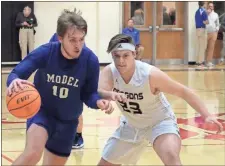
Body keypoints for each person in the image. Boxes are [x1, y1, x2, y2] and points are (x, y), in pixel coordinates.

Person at [6, 8, 116, 166]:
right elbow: (15, 73)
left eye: (81, 39)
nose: (78, 45)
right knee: (32, 154)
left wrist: (98, 102)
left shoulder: (90, 60)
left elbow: (88, 94)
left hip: (68, 122)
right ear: (60, 38)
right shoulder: (46, 52)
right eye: (72, 40)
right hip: (42, 112)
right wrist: (14, 81)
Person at [97, 34, 223, 166]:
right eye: (116, 56)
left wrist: (207, 115)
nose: (121, 61)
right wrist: (106, 99)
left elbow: (184, 91)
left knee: (171, 156)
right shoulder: (110, 71)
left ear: (134, 54)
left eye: (125, 55)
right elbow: (101, 92)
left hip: (159, 123)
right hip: (131, 124)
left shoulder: (150, 74)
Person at [49, 32, 86, 149]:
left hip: (75, 75)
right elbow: (50, 55)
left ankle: (77, 135)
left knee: (75, 108)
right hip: (57, 76)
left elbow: (84, 59)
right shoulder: (56, 37)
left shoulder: (79, 40)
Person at [205, 2, 219, 67]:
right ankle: (203, 61)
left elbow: (217, 23)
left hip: (213, 33)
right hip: (206, 33)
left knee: (211, 48)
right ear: (208, 7)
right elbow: (203, 22)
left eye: (212, 6)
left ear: (213, 7)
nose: (210, 7)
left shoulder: (216, 15)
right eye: (209, 6)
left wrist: (217, 29)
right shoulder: (205, 14)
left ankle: (209, 62)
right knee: (204, 47)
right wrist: (207, 14)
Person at [195, 1, 209, 67]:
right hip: (202, 29)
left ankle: (198, 61)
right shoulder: (204, 11)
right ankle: (201, 62)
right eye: (205, 4)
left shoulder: (197, 11)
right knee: (203, 46)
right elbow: (206, 22)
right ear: (203, 4)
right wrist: (207, 21)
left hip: (197, 30)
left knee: (199, 46)